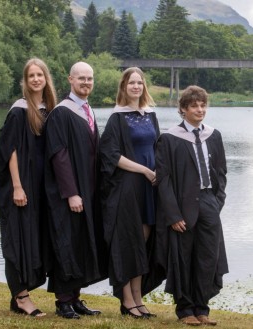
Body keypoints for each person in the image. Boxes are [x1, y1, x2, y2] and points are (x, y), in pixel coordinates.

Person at [156, 85, 228, 326]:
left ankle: (202, 308)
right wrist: (173, 214)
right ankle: (185, 310)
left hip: (209, 202)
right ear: (183, 109)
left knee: (208, 257)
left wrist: (218, 201)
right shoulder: (169, 138)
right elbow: (163, 180)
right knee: (183, 257)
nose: (200, 109)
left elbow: (221, 171)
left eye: (203, 105)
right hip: (182, 205)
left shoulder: (214, 135)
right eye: (194, 106)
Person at [44, 61, 107, 319]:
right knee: (66, 243)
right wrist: (71, 192)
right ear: (70, 79)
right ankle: (63, 301)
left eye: (90, 78)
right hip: (68, 194)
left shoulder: (88, 110)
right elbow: (58, 155)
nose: (86, 83)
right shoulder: (61, 113)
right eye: (81, 78)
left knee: (81, 243)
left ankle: (76, 297)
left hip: (88, 191)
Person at [0, 58, 57, 317]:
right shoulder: (19, 110)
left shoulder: (49, 109)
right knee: (18, 239)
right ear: (25, 80)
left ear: (46, 78)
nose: (35, 79)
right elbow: (10, 151)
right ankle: (21, 298)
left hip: (41, 186)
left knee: (33, 238)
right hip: (20, 185)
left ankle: (20, 294)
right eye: (30, 75)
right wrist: (17, 187)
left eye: (39, 75)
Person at [100, 67, 162, 319]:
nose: (136, 86)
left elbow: (158, 147)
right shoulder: (118, 118)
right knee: (127, 243)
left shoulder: (151, 116)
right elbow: (111, 156)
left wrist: (158, 171)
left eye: (140, 82)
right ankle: (126, 299)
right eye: (131, 83)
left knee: (142, 244)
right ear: (124, 87)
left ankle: (138, 297)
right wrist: (145, 171)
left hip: (150, 188)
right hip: (128, 187)